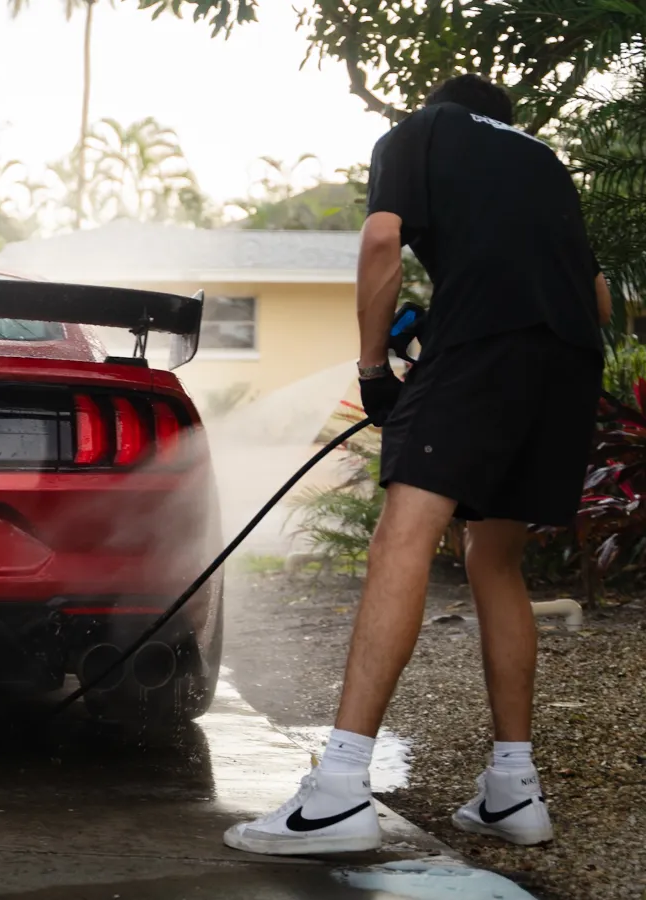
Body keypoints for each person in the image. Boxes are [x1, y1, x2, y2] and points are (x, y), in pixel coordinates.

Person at [224, 74, 608, 855]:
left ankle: (336, 793)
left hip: (482, 356)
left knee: (401, 538)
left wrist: (373, 369)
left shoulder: (420, 132)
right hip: (568, 364)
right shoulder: (543, 160)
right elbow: (596, 297)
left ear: (440, 103)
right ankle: (512, 790)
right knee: (495, 559)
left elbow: (378, 243)